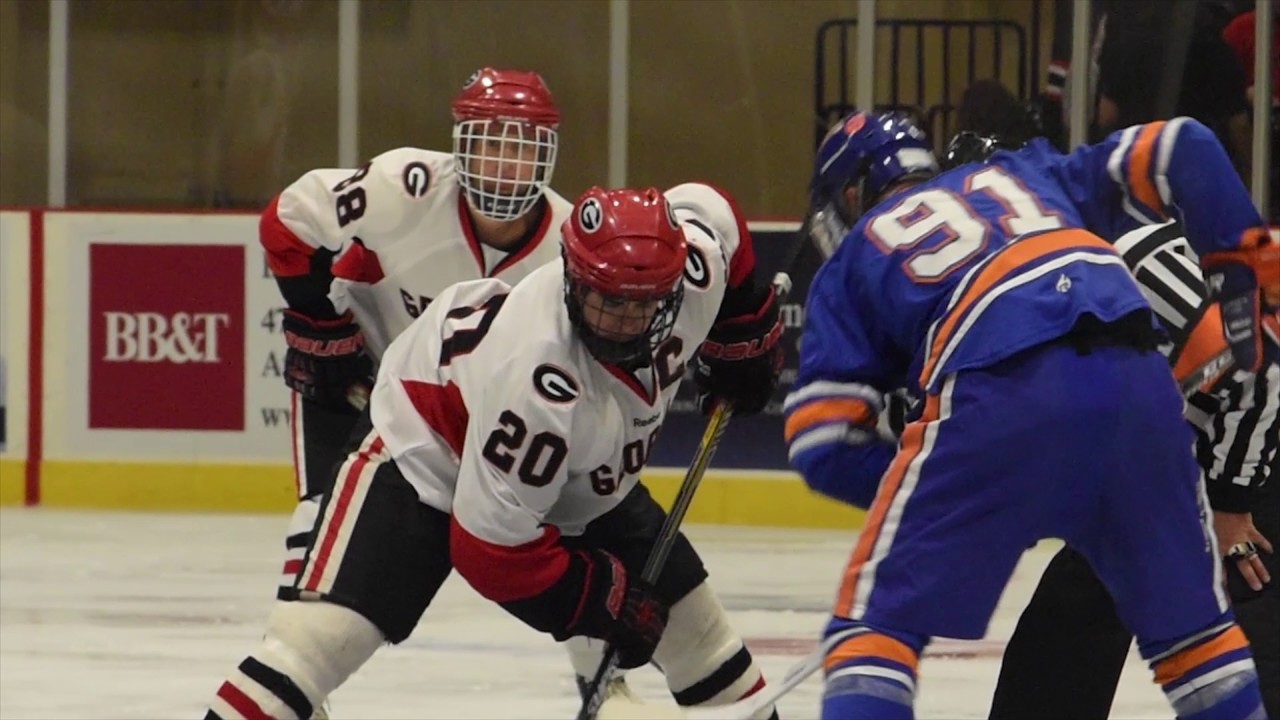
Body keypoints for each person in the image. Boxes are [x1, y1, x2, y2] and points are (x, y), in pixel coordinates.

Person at [206, 183, 786, 720]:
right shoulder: (536, 375)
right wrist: (598, 598)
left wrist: (741, 324)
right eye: (608, 300)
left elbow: (711, 207)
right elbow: (490, 553)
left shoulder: (694, 269)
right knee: (318, 642)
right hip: (426, 455)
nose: (627, 321)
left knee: (700, 637)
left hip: (587, 479)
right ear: (572, 277)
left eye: (645, 303)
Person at [785, 110, 1278, 720]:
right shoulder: (1032, 172)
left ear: (851, 193)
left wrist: (980, 507)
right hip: (1143, 393)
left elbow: (824, 441)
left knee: (872, 633)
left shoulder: (855, 255)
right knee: (1201, 646)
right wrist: (1243, 252)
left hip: (1002, 387)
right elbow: (1185, 141)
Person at [941, 131, 1280, 720]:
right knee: (1067, 624)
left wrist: (1231, 503)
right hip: (1183, 461)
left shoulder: (1125, 253)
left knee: (1254, 641)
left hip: (1258, 455)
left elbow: (1262, 369)